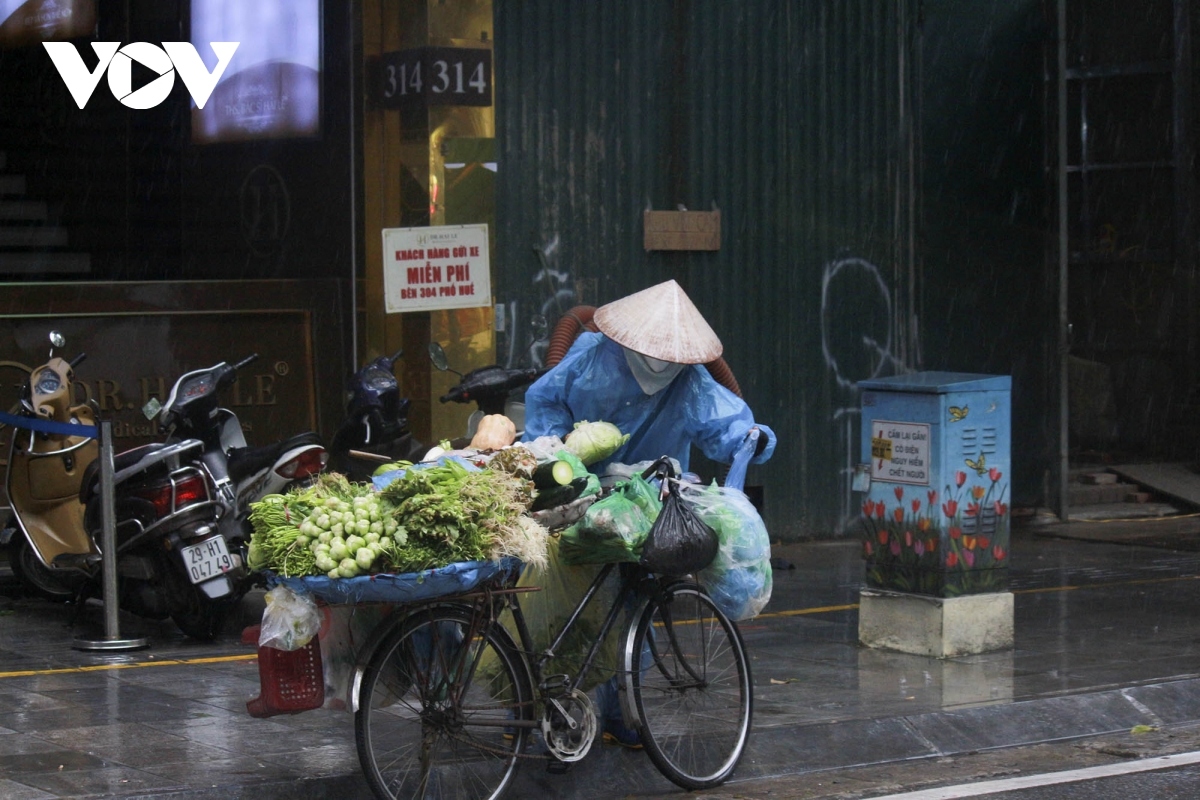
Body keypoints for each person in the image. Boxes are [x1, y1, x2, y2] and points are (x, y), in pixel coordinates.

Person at [522, 279, 776, 747]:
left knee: (633, 603)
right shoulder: (593, 353)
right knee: (578, 606)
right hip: (582, 496)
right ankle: (562, 711)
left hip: (649, 505)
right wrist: (554, 453)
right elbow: (546, 400)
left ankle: (620, 712)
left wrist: (751, 437)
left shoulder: (688, 376)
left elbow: (725, 424)